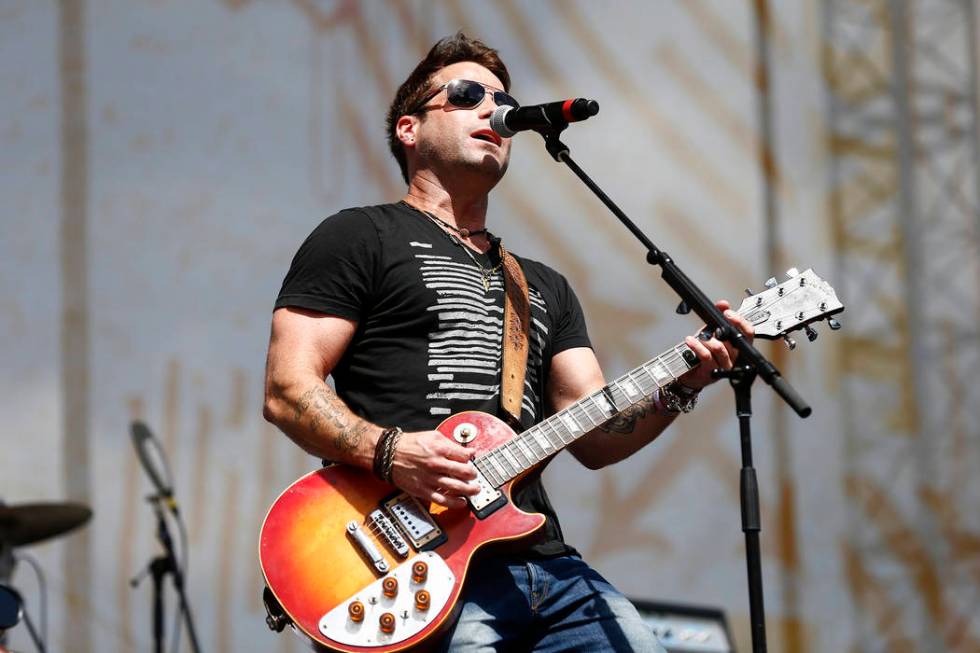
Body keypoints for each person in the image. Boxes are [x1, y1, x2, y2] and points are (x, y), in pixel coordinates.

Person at [263, 32, 753, 652]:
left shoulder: (543, 286)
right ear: (409, 129)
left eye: (502, 98)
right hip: (408, 564)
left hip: (545, 564)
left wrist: (684, 382)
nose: (493, 109)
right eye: (467, 95)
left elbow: (599, 434)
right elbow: (287, 390)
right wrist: (392, 452)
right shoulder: (359, 236)